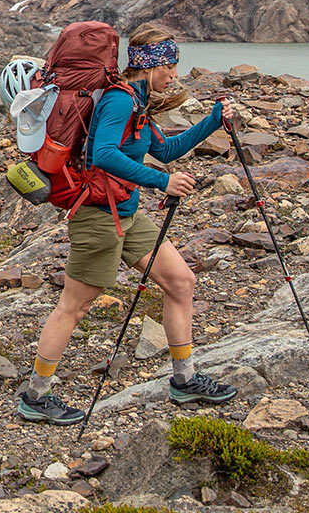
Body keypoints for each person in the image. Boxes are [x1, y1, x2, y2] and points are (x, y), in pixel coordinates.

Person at [18, 23, 238, 425]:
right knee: (74, 306)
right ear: (150, 65)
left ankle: (184, 379)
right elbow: (103, 155)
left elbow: (165, 150)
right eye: (169, 66)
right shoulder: (121, 101)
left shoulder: (138, 104)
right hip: (97, 217)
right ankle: (36, 394)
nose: (174, 75)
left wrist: (214, 120)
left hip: (127, 213)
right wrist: (162, 182)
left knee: (180, 282)